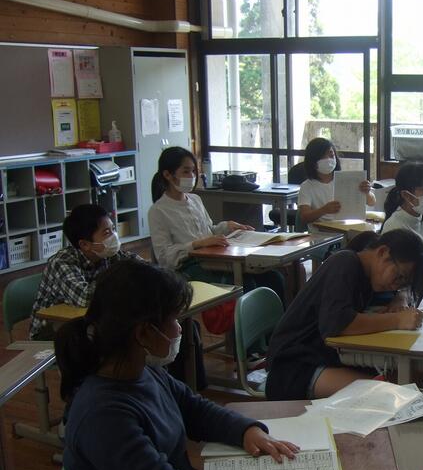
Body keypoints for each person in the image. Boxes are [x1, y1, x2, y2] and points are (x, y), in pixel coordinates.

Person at [56, 260, 303, 470]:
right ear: (144, 333)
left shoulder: (140, 370)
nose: (181, 328)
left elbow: (194, 408)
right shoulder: (102, 415)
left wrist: (246, 431)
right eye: (174, 320)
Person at [264, 229, 423, 401]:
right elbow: (338, 323)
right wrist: (396, 320)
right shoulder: (344, 263)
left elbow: (399, 294)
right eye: (399, 277)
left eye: (402, 283)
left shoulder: (369, 273)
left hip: (321, 359)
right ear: (382, 252)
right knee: (389, 395)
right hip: (293, 368)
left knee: (405, 380)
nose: (395, 285)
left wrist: (401, 296)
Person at [148, 146, 284, 299]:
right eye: (186, 171)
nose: (191, 176)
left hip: (214, 258)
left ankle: (283, 316)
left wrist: (228, 226)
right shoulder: (158, 211)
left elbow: (209, 230)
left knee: (273, 277)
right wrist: (197, 244)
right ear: (167, 175)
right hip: (188, 269)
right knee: (247, 284)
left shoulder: (195, 199)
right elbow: (164, 257)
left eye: (193, 171)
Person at [30, 204, 141, 340]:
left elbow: (144, 268)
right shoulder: (62, 262)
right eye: (107, 233)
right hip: (51, 329)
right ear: (84, 244)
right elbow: (84, 298)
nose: (114, 236)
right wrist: (118, 276)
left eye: (113, 229)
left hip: (86, 321)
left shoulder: (108, 254)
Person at [297, 137, 376, 226]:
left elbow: (372, 202)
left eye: (331, 155)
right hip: (321, 231)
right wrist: (323, 210)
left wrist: (367, 192)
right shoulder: (307, 186)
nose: (328, 159)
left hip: (347, 227)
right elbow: (304, 217)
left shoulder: (347, 180)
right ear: (312, 161)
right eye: (322, 156)